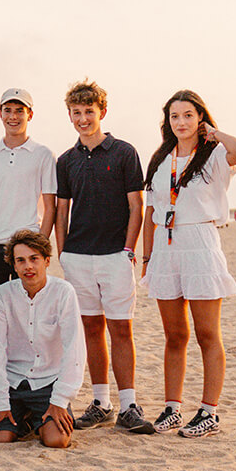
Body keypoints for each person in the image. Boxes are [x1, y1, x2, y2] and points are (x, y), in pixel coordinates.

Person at [142, 90, 236, 437]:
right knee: (174, 335)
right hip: (165, 247)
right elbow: (151, 211)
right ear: (167, 121)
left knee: (206, 333)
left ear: (200, 118)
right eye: (175, 116)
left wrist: (214, 134)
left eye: (188, 115)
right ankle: (173, 407)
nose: (181, 122)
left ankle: (209, 411)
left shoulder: (214, 154)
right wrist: (146, 258)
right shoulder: (160, 158)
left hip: (200, 244)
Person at [54, 80, 154, 434]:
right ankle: (102, 403)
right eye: (76, 113)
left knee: (121, 328)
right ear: (69, 115)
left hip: (115, 255)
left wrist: (129, 249)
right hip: (77, 256)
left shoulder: (124, 152)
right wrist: (63, 251)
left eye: (89, 112)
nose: (83, 119)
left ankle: (129, 405)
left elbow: (136, 206)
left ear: (102, 112)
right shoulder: (65, 161)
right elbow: (61, 211)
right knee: (91, 329)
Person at [0, 89, 58, 424]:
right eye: (8, 109)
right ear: (0, 113)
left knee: (24, 318)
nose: (14, 116)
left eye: (20, 110)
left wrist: (39, 246)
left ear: (30, 114)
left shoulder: (43, 154)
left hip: (25, 245)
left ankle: (24, 392)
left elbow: (50, 204)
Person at [0, 230, 84, 448]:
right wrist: (0, 403)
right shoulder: (3, 294)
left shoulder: (63, 292)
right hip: (13, 382)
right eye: (21, 260)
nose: (28, 266)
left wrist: (60, 401)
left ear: (47, 261)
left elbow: (74, 349)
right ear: (14, 265)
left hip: (48, 382)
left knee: (56, 440)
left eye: (34, 259)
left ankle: (37, 417)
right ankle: (26, 419)